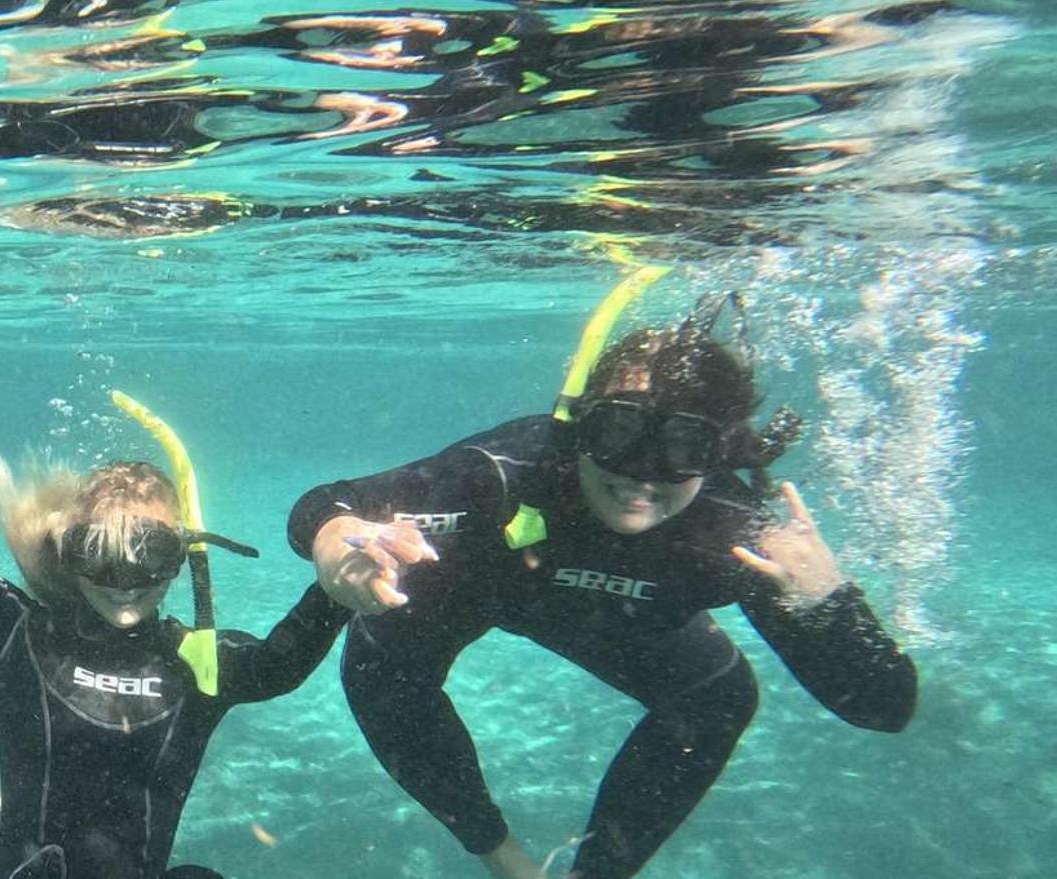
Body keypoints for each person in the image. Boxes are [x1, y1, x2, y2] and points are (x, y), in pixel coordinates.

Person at [291, 279, 918, 879]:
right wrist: (333, 542)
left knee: (718, 697)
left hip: (612, 616)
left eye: (683, 447)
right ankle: (502, 858)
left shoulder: (735, 536)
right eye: (619, 429)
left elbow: (883, 705)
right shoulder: (508, 476)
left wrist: (827, 598)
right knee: (383, 665)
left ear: (719, 455)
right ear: (578, 424)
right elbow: (329, 502)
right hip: (470, 587)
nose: (642, 475)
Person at [0, 386, 355, 879]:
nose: (123, 583)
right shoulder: (22, 636)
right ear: (70, 553)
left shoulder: (198, 662)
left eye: (150, 553)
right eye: (99, 554)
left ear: (181, 555)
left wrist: (336, 591)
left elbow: (276, 667)